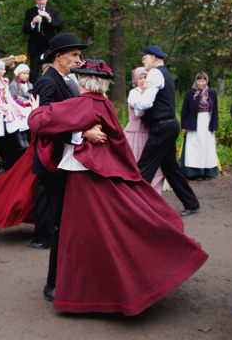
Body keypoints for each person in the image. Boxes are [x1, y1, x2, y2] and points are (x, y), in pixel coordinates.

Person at [28, 59, 208, 314]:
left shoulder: (83, 103)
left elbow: (39, 123)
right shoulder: (105, 104)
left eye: (79, 79)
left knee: (83, 236)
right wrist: (81, 132)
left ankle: (89, 294)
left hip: (84, 178)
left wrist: (35, 110)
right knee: (105, 232)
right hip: (101, 175)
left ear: (83, 82)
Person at [29, 32, 106, 297]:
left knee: (70, 223)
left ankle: (70, 278)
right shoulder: (47, 83)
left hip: (66, 162)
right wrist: (81, 134)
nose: (78, 59)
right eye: (74, 55)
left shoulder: (68, 80)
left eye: (79, 54)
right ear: (58, 57)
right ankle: (53, 284)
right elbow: (46, 125)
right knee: (63, 224)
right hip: (53, 164)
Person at [131, 45, 201, 217]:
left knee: (144, 166)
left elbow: (146, 103)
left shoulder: (155, 73)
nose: (143, 60)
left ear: (153, 58)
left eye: (144, 57)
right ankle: (191, 203)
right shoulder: (165, 74)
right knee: (170, 168)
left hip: (162, 127)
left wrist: (133, 102)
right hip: (169, 125)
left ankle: (130, 206)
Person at [124, 67, 164, 193]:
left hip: (148, 132)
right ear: (135, 80)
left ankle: (152, 192)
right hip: (135, 133)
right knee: (135, 162)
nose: (142, 80)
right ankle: (134, 193)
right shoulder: (134, 92)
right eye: (140, 78)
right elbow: (139, 111)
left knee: (153, 165)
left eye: (145, 77)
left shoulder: (151, 92)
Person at [180, 72, 219, 180]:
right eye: (199, 81)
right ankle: (194, 172)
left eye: (203, 81)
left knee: (206, 146)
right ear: (196, 81)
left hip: (207, 122)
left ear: (206, 81)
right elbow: (184, 110)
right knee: (194, 147)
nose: (201, 83)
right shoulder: (190, 93)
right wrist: (183, 126)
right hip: (193, 122)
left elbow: (215, 110)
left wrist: (214, 126)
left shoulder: (211, 93)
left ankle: (207, 171)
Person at [22, 0, 63, 83]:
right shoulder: (30, 12)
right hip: (35, 45)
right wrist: (33, 22)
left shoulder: (52, 11)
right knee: (34, 71)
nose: (41, 1)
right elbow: (25, 30)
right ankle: (34, 90)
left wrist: (49, 18)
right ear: (36, 0)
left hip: (49, 44)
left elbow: (59, 27)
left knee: (52, 66)